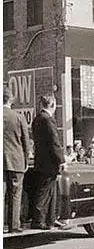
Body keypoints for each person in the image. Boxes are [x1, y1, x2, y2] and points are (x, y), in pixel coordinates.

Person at [30, 94, 65, 230]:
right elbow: (54, 142)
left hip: (41, 160)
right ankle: (39, 220)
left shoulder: (37, 119)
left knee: (49, 190)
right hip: (49, 162)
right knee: (45, 191)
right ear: (53, 105)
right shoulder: (48, 120)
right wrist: (61, 160)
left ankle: (50, 218)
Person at [3, 87, 31, 233]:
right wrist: (26, 159)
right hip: (16, 161)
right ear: (11, 100)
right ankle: (14, 225)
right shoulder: (19, 117)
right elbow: (26, 142)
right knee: (15, 193)